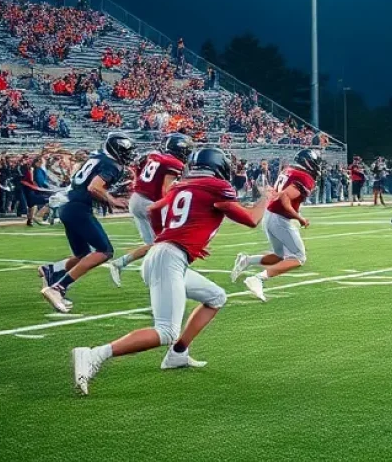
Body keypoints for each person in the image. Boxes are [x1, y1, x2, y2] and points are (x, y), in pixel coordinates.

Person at [71, 147, 271, 394]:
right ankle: (94, 355)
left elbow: (153, 210)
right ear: (219, 166)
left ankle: (178, 353)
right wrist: (266, 199)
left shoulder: (181, 186)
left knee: (216, 297)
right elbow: (252, 219)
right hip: (169, 259)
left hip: (164, 255)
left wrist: (166, 238)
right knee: (165, 330)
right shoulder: (215, 187)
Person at [38, 132, 136, 312]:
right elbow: (94, 187)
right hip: (78, 208)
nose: (127, 155)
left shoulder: (97, 156)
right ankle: (58, 287)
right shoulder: (112, 164)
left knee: (82, 254)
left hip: (68, 205)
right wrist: (112, 200)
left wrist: (106, 198)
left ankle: (52, 270)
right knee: (105, 251)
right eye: (125, 151)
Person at [231, 148, 320, 300]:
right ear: (309, 163)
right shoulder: (304, 178)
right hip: (279, 219)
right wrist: (299, 218)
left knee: (280, 256)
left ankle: (247, 260)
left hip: (270, 215)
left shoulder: (288, 170)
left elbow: (277, 193)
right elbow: (285, 196)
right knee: (298, 257)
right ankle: (258, 278)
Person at [107, 133, 194, 287]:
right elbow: (167, 189)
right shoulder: (174, 163)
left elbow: (138, 171)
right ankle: (165, 274)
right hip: (150, 203)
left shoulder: (154, 156)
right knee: (169, 242)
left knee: (154, 244)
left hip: (136, 199)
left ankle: (120, 263)